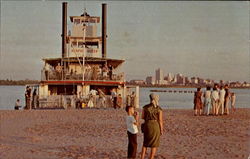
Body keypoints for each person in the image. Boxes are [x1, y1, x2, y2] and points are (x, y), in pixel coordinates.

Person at [141, 93, 163, 159]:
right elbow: (160, 120)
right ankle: (151, 157)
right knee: (154, 144)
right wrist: (161, 130)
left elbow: (142, 117)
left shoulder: (145, 107)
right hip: (155, 125)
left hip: (147, 125)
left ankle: (142, 157)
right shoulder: (159, 109)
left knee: (145, 143)